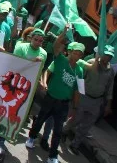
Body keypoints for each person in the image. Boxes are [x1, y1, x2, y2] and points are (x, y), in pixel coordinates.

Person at [26, 28, 85, 163]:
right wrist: (64, 32)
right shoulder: (60, 60)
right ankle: (32, 138)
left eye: (79, 54)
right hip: (51, 98)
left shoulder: (80, 71)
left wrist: (75, 108)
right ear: (69, 52)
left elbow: (77, 90)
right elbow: (56, 45)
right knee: (40, 120)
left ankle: (53, 156)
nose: (76, 56)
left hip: (64, 104)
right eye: (74, 52)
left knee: (58, 130)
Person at [65, 44, 116, 155]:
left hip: (97, 101)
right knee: (75, 119)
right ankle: (63, 132)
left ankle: (75, 144)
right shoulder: (91, 63)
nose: (108, 58)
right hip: (84, 97)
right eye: (106, 55)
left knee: (87, 125)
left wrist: (108, 104)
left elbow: (109, 88)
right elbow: (79, 78)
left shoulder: (110, 70)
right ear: (102, 54)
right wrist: (75, 95)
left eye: (110, 56)